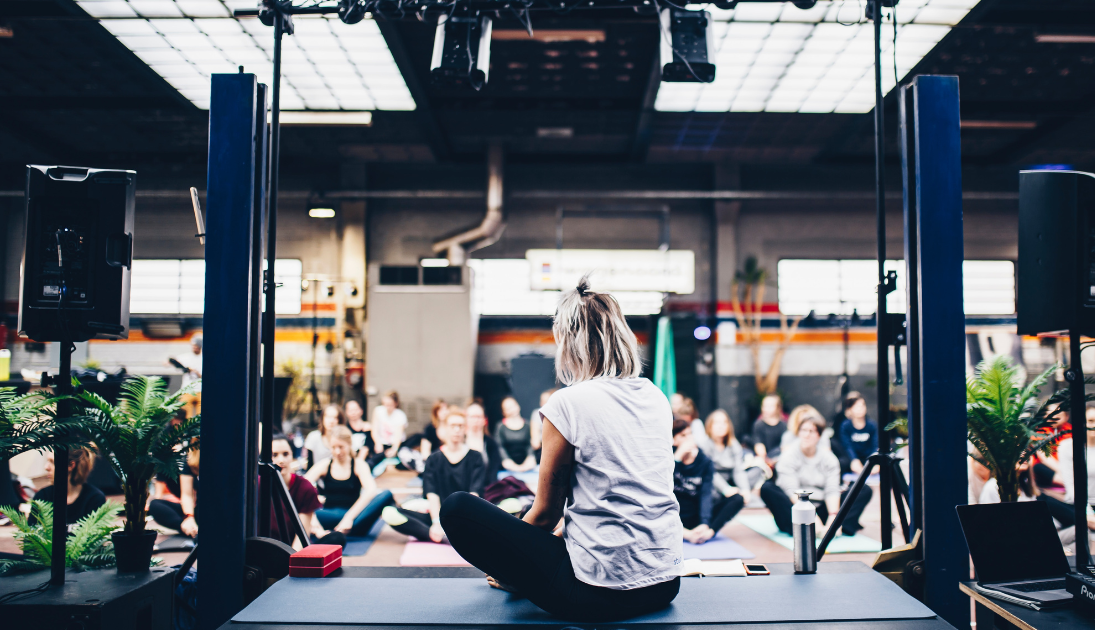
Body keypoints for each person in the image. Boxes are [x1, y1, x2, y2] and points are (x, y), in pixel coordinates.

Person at [438, 277, 682, 622]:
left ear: (569, 341)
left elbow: (545, 515)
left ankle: (518, 579)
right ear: (622, 336)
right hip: (665, 583)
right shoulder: (656, 397)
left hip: (597, 594)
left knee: (458, 508)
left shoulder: (567, 402)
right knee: (524, 511)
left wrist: (514, 569)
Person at [383, 408, 485, 542]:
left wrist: (464, 520)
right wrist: (436, 522)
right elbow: (432, 494)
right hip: (438, 515)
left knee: (511, 505)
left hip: (468, 516)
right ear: (445, 429)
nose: (456, 430)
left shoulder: (475, 457)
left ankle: (451, 535)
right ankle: (440, 536)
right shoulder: (434, 459)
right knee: (389, 513)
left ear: (465, 429)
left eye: (460, 426)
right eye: (452, 426)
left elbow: (474, 494)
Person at [761, 415, 872, 537]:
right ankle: (808, 528)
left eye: (811, 431)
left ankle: (835, 526)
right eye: (803, 430)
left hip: (822, 507)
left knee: (863, 489)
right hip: (797, 509)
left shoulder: (829, 459)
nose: (807, 435)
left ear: (819, 435)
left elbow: (832, 489)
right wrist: (811, 519)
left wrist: (833, 517)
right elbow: (792, 490)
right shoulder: (788, 456)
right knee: (767, 488)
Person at [305, 426, 394, 536]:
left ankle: (342, 530)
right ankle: (332, 531)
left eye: (341, 447)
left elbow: (371, 491)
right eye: (333, 447)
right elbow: (300, 487)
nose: (337, 451)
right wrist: (313, 509)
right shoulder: (325, 465)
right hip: (329, 515)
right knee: (304, 513)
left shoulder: (359, 465)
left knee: (386, 494)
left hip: (355, 517)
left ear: (349, 445)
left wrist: (348, 518)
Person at [673, 418, 745, 544]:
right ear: (674, 440)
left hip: (695, 515)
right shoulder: (669, 459)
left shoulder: (704, 461)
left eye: (690, 434)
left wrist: (705, 523)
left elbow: (705, 495)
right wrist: (677, 458)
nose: (689, 439)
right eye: (683, 436)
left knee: (737, 498)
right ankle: (686, 534)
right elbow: (661, 486)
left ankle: (707, 533)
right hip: (673, 516)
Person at [268, 434, 324, 546]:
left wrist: (290, 561)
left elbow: (301, 537)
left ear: (292, 456)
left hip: (294, 552)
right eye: (274, 455)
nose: (281, 460)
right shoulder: (257, 486)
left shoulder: (305, 488)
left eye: (285, 454)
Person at [33, 448, 106, 526]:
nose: (46, 467)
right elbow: (31, 534)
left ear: (71, 465)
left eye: (52, 462)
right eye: (47, 461)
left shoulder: (94, 499)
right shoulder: (42, 497)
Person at [692, 409, 753, 501]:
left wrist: (745, 490)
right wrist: (726, 489)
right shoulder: (704, 445)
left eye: (724, 422)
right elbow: (709, 472)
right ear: (710, 426)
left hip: (731, 480)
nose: (721, 426)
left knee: (756, 471)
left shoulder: (734, 445)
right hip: (712, 482)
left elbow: (738, 470)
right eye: (717, 423)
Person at [149, 446, 200, 537]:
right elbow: (187, 495)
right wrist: (189, 517)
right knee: (155, 505)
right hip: (197, 512)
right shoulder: (189, 462)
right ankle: (188, 528)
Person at [465, 402, 503, 487]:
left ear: (484, 420)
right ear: (466, 419)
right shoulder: (459, 441)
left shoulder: (491, 443)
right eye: (472, 417)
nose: (475, 420)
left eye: (478, 417)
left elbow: (494, 471)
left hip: (486, 489)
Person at [838, 392, 878, 474]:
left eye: (862, 405)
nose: (860, 408)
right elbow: (847, 446)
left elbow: (875, 445)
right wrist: (854, 460)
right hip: (853, 459)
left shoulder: (872, 425)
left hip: (869, 458)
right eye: (856, 406)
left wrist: (874, 462)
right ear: (850, 409)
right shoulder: (845, 426)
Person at [498, 397, 537, 472]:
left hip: (528, 467)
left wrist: (529, 460)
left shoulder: (528, 425)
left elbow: (531, 445)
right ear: (503, 412)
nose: (512, 409)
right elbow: (500, 447)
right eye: (508, 408)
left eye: (513, 406)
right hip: (507, 468)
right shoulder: (500, 427)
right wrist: (509, 463)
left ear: (518, 406)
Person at [304, 405, 345, 470]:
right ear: (322, 418)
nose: (331, 421)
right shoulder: (313, 437)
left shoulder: (344, 439)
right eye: (328, 417)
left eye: (335, 417)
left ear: (339, 420)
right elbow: (309, 465)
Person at [370, 390, 408, 460]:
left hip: (394, 444)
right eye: (385, 404)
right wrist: (377, 443)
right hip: (381, 443)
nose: (387, 407)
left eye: (390, 405)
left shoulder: (400, 415)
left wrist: (394, 449)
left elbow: (398, 435)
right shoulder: (378, 410)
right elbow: (374, 429)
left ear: (395, 403)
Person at [751, 393, 787, 463]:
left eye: (770, 406)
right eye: (764, 406)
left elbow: (785, 447)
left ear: (778, 407)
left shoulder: (784, 425)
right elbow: (758, 444)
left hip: (780, 457)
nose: (766, 409)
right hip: (765, 459)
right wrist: (764, 458)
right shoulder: (758, 424)